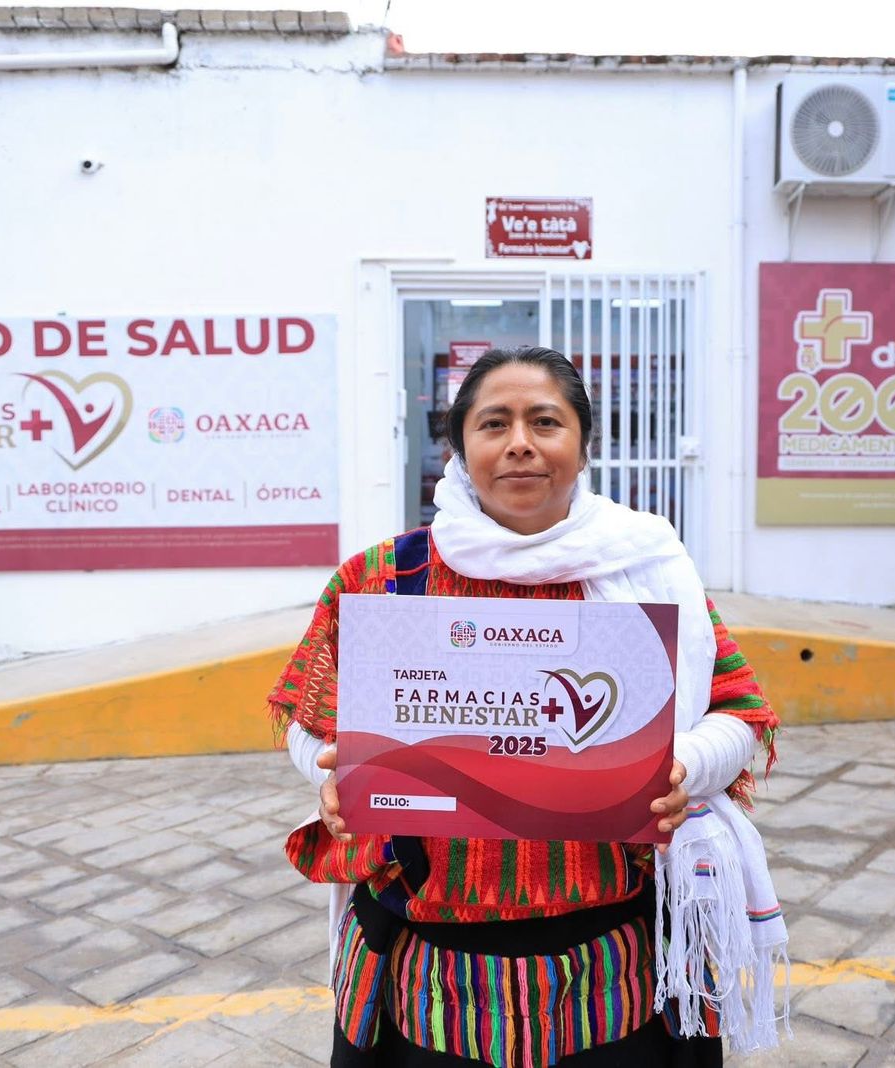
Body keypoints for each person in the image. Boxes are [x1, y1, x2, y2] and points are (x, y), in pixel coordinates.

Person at [269, 346, 787, 1067]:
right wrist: (330, 774)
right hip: (427, 973)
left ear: (581, 446)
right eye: (493, 424)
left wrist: (683, 767)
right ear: (461, 448)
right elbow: (309, 718)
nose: (520, 443)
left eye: (546, 421)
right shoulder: (384, 578)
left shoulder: (646, 571)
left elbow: (737, 710)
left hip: (613, 970)